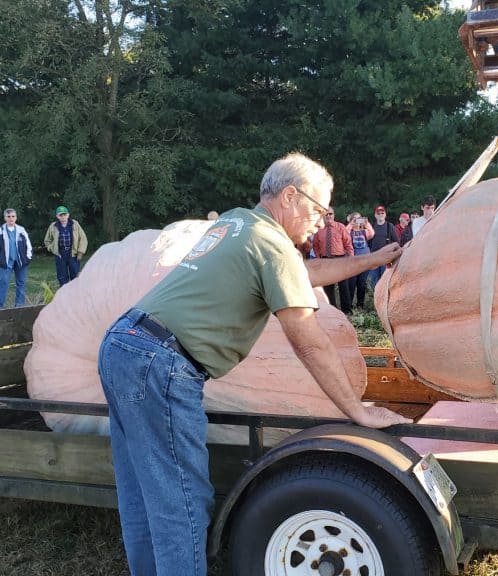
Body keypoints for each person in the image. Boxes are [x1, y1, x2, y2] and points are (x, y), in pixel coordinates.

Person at [97, 153, 410, 576]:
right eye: (319, 209)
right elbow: (310, 343)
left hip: (124, 344)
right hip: (161, 363)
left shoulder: (240, 222)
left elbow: (304, 273)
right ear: (290, 196)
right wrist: (356, 409)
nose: (322, 220)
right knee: (181, 502)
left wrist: (372, 260)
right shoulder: (271, 245)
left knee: (142, 494)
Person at [311, 207, 354, 313]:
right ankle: (332, 310)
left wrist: (352, 259)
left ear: (334, 215)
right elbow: (315, 245)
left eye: (330, 214)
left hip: (339, 259)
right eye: (326, 214)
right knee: (328, 287)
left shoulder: (340, 227)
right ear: (323, 216)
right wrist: (318, 258)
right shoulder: (319, 229)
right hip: (325, 260)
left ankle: (347, 310)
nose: (328, 216)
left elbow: (348, 243)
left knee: (343, 286)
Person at [0, 208, 33, 310]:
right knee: (3, 282)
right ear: (5, 218)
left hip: (20, 261)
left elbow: (28, 245)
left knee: (21, 282)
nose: (11, 218)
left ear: (16, 217)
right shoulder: (0, 230)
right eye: (8, 216)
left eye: (13, 216)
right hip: (6, 262)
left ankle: (19, 305)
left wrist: (27, 258)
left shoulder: (21, 230)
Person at [44, 205, 88, 287]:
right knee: (62, 277)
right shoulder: (53, 226)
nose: (63, 217)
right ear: (57, 216)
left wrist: (80, 252)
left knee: (76, 276)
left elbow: (83, 238)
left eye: (65, 214)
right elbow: (47, 240)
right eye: (61, 215)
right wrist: (52, 249)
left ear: (68, 215)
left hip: (73, 254)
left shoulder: (75, 224)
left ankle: (76, 296)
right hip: (60, 255)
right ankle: (64, 296)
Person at [346, 212, 374, 310]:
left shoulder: (364, 231)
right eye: (355, 219)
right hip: (353, 263)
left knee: (361, 285)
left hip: (364, 262)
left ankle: (360, 305)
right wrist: (351, 224)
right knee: (351, 284)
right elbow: (344, 234)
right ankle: (349, 305)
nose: (357, 221)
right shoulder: (349, 232)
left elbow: (372, 233)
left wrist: (366, 223)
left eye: (359, 219)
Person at [369, 205, 399, 289]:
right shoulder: (372, 226)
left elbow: (396, 241)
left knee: (385, 279)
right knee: (373, 280)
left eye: (382, 213)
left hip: (386, 258)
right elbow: (367, 241)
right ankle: (375, 297)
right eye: (378, 213)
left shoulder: (390, 226)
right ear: (375, 215)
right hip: (374, 257)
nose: (380, 215)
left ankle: (384, 298)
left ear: (385, 214)